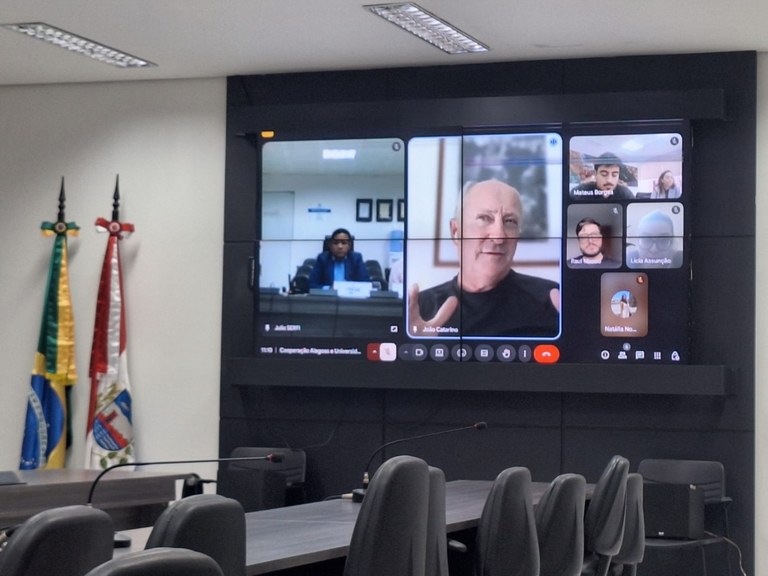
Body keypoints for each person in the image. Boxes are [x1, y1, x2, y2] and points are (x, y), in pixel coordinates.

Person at [408, 179, 560, 337]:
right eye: (484, 218)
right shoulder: (418, 311)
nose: (499, 237)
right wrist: (416, 346)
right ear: (455, 231)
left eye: (510, 221)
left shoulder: (554, 301)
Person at [570, 152, 635, 200]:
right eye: (604, 174)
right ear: (595, 174)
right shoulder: (581, 192)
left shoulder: (625, 194)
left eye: (614, 175)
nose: (609, 180)